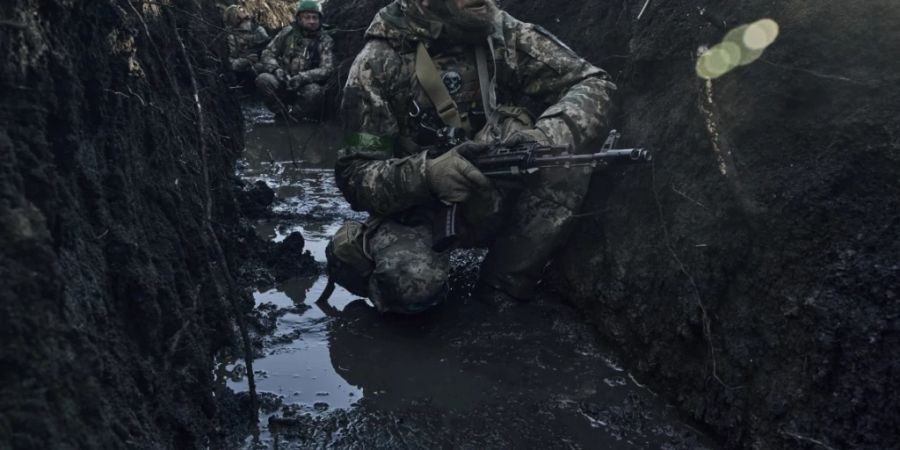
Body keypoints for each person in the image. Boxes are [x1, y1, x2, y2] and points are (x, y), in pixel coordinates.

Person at [325, 0, 615, 314]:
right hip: (419, 210)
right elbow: (355, 175)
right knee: (410, 284)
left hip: (500, 189)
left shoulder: (502, 33)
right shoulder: (377, 63)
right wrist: (428, 174)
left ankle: (501, 290)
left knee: (562, 162)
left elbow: (594, 83)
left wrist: (544, 136)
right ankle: (356, 250)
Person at [254, 0, 335, 120]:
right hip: (283, 81)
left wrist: (303, 78)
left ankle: (295, 118)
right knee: (263, 79)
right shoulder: (287, 33)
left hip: (305, 86)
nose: (312, 21)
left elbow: (327, 69)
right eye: (307, 17)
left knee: (315, 92)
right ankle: (281, 114)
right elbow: (268, 53)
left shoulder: (325, 40)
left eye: (315, 18)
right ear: (299, 18)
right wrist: (277, 70)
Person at [222, 4, 270, 86]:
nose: (243, 10)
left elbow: (269, 45)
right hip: (248, 72)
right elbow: (232, 65)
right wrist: (246, 60)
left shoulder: (258, 28)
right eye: (239, 10)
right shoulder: (232, 38)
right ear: (235, 17)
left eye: (242, 9)